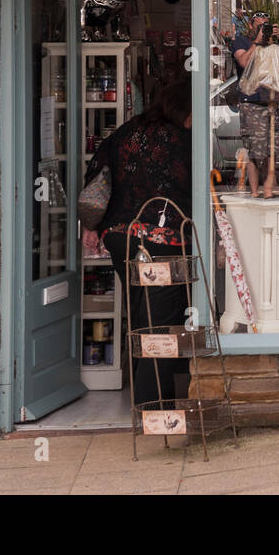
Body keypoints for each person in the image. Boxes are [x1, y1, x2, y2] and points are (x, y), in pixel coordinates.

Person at [85, 77, 192, 408]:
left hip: (120, 238)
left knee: (143, 317)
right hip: (161, 241)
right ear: (185, 109)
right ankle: (155, 409)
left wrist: (93, 226)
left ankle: (151, 403)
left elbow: (96, 173)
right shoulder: (183, 139)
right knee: (160, 325)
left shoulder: (127, 131)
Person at [231, 14, 279, 196]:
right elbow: (243, 61)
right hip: (252, 103)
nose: (263, 30)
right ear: (251, 25)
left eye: (265, 26)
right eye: (259, 26)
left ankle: (268, 189)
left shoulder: (273, 44)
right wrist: (257, 42)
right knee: (255, 151)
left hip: (273, 102)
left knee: (272, 150)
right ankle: (254, 191)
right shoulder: (241, 41)